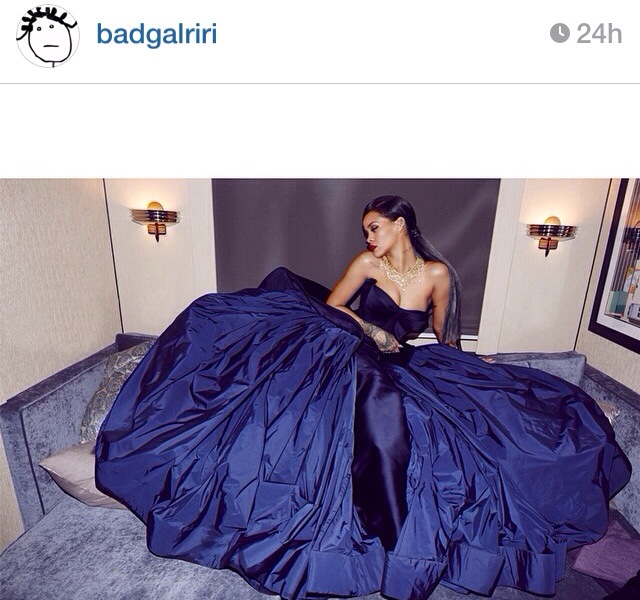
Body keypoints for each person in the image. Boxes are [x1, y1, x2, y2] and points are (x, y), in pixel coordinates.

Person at [96, 196, 631, 600]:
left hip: (407, 360)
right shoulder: (366, 265)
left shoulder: (438, 274)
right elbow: (330, 308)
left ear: (401, 224)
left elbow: (445, 338)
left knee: (486, 420)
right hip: (351, 350)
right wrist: (372, 331)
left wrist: (472, 361)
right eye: (365, 230)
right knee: (348, 406)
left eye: (375, 227)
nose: (369, 237)